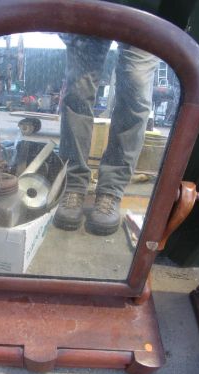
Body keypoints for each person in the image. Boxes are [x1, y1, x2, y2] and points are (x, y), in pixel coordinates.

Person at [54, 34, 158, 235]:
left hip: (145, 9)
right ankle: (74, 184)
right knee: (78, 89)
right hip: (91, 7)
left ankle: (111, 190)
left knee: (136, 90)